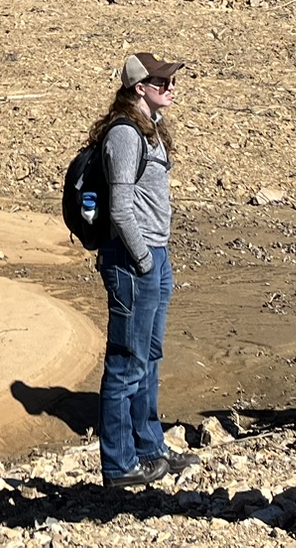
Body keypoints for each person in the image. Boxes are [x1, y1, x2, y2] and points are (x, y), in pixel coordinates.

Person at [91, 51, 188, 488]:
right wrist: (145, 261)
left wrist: (157, 260)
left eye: (170, 82)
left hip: (154, 255)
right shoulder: (125, 136)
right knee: (126, 361)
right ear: (138, 88)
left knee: (148, 356)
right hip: (134, 258)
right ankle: (118, 463)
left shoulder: (151, 131)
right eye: (161, 82)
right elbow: (120, 208)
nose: (170, 88)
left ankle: (150, 448)